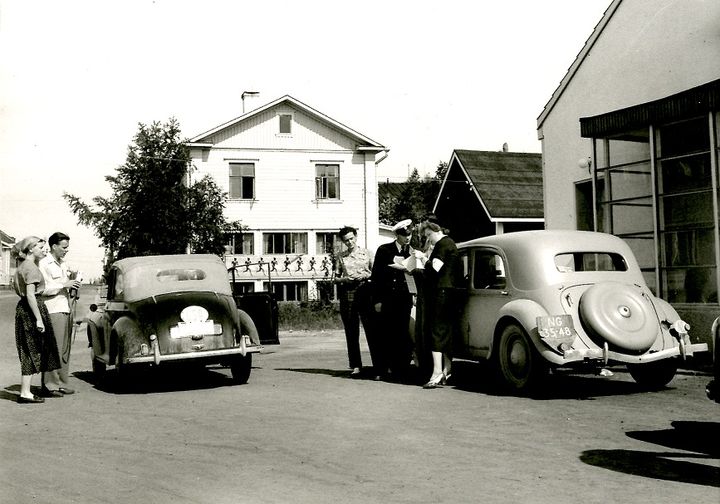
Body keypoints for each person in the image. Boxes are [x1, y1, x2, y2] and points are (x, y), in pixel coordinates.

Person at [11, 236, 62, 404]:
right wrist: (39, 319)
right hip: (32, 309)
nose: (44, 250)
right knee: (32, 349)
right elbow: (31, 295)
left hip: (24, 309)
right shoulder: (31, 268)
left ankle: (25, 391)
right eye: (41, 247)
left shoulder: (22, 266)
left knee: (28, 349)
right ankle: (25, 393)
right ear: (31, 248)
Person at [417, 215, 463, 389]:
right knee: (446, 331)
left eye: (429, 236)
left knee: (436, 331)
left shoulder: (442, 245)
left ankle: (436, 373)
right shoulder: (451, 244)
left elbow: (434, 269)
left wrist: (422, 258)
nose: (429, 240)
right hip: (451, 293)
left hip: (441, 293)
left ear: (435, 231)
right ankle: (446, 370)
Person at [370, 219, 414, 381]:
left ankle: (400, 369)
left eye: (409, 234)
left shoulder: (412, 252)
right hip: (387, 299)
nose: (407, 238)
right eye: (404, 235)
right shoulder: (384, 251)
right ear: (397, 235)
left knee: (402, 334)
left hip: (404, 299)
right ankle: (381, 369)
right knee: (384, 334)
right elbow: (377, 277)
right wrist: (377, 300)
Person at [39, 232, 81, 396]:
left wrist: (73, 284)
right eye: (64, 247)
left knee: (64, 348)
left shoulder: (63, 264)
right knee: (52, 348)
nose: (66, 250)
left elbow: (65, 284)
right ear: (54, 246)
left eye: (67, 247)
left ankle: (62, 382)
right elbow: (42, 289)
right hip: (52, 309)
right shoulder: (44, 264)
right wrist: (64, 284)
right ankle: (50, 385)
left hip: (65, 307)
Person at [335, 226, 374, 377]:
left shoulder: (367, 253)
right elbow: (335, 278)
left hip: (365, 291)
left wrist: (365, 275)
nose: (350, 242)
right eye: (346, 240)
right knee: (351, 332)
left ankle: (379, 364)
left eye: (352, 239)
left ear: (356, 237)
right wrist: (345, 279)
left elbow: (375, 272)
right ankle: (356, 365)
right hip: (348, 293)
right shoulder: (341, 257)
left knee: (371, 329)